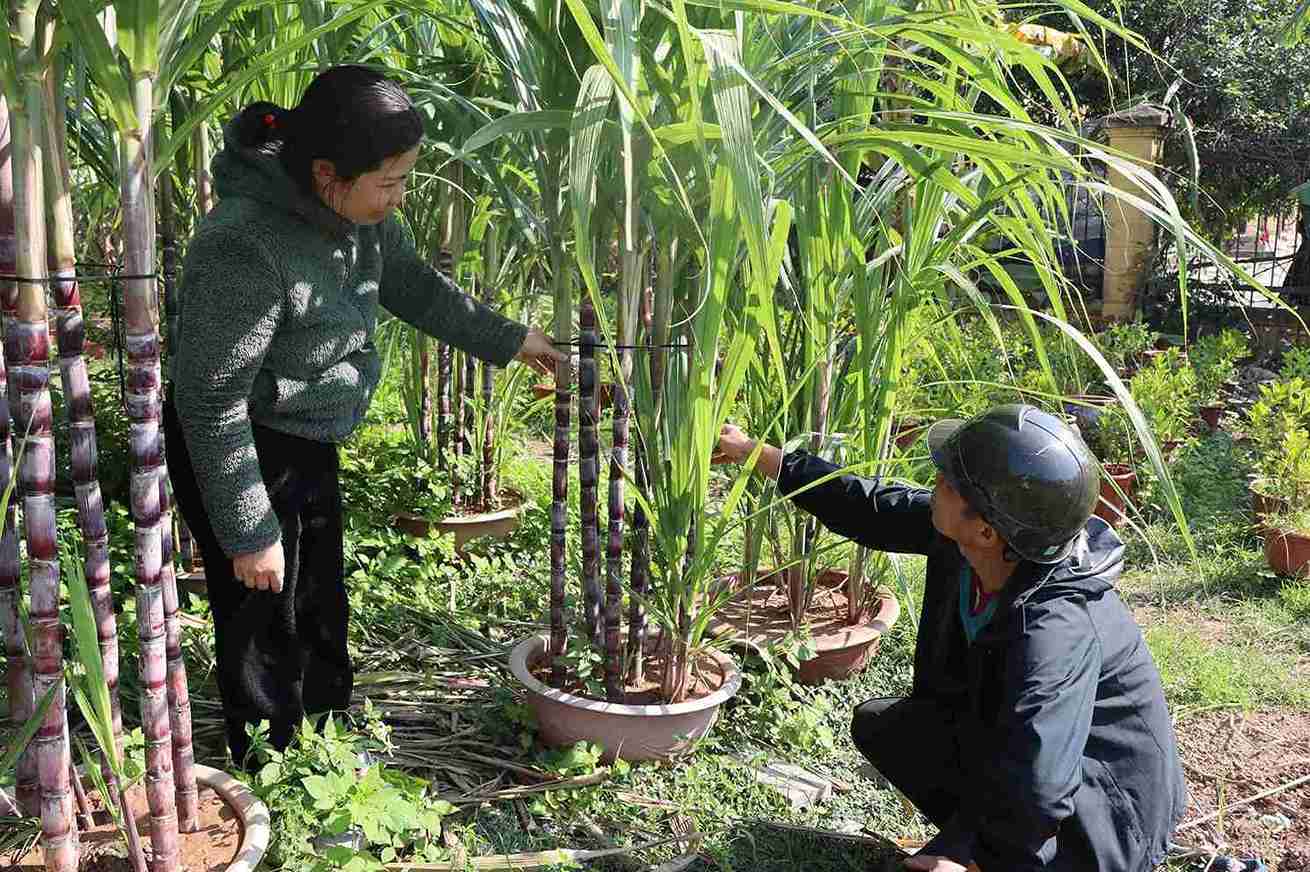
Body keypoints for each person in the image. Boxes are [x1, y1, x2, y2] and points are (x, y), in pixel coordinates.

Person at [164, 65, 564, 765]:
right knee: (262, 614)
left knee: (318, 596)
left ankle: (325, 740)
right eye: (390, 181)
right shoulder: (245, 242)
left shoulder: (361, 222)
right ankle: (270, 764)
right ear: (326, 172)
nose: (399, 196)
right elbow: (209, 397)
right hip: (241, 445)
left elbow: (417, 288)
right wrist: (249, 526)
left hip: (306, 438)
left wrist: (513, 339)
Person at [714, 404, 1191, 872]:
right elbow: (870, 507)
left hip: (1110, 814)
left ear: (984, 529)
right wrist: (755, 452)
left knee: (1004, 816)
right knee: (890, 729)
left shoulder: (1053, 628)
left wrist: (971, 858)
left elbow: (1041, 786)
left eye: (946, 481)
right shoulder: (987, 542)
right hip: (1034, 763)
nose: (933, 485)